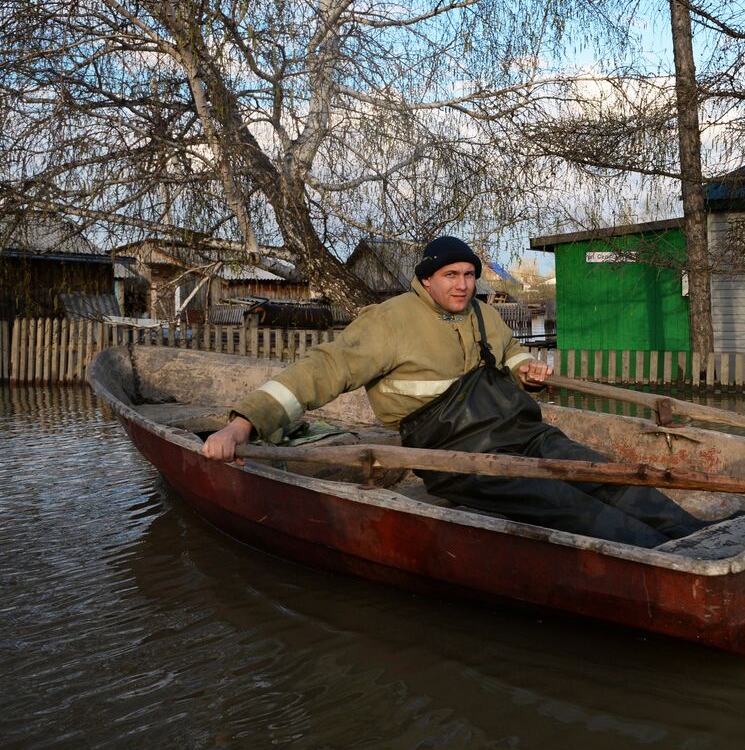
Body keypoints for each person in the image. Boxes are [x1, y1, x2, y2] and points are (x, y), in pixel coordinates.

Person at [202, 235, 712, 548]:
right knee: (567, 503)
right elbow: (319, 371)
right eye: (451, 275)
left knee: (608, 475)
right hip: (455, 455)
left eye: (469, 275)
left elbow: (509, 351)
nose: (463, 285)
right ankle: (668, 562)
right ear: (426, 280)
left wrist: (525, 366)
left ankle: (702, 540)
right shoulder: (388, 322)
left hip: (521, 433)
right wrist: (242, 422)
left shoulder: (481, 312)